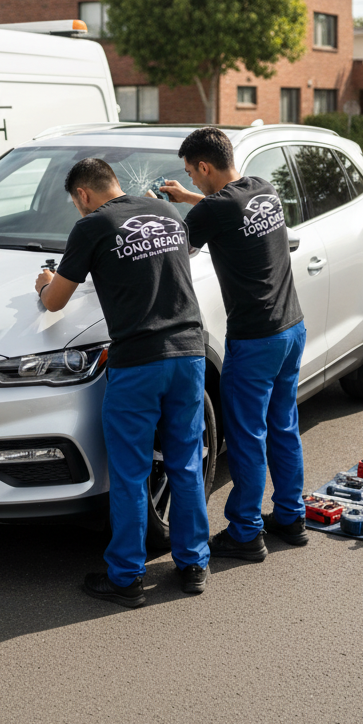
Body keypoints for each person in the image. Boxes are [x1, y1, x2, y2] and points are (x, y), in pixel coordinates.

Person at [34, 157, 210, 607]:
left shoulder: (92, 226)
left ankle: (127, 578)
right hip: (190, 352)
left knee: (130, 472)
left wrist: (45, 281)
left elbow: (55, 302)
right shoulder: (170, 213)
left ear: (83, 195)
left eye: (76, 204)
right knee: (185, 461)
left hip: (138, 362)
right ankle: (193, 564)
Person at [160, 127, 308, 561]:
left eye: (191, 174)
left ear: (204, 166)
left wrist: (151, 211)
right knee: (283, 426)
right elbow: (224, 207)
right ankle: (291, 517)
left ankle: (246, 532)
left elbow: (170, 249)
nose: (191, 182)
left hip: (256, 338)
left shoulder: (215, 210)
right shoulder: (262, 188)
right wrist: (187, 201)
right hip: (292, 328)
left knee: (247, 436)